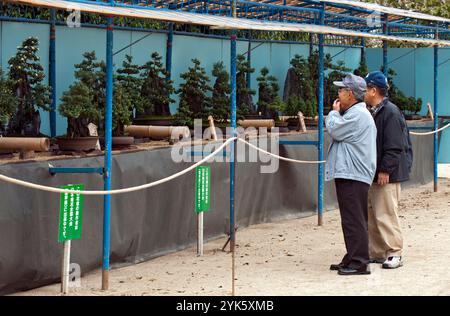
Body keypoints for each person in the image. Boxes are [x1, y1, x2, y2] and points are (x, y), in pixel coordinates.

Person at [325, 73, 377, 276]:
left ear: (350, 94)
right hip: (351, 173)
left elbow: (335, 130)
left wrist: (334, 113)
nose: (338, 93)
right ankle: (353, 257)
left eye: (341, 90)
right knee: (351, 218)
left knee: (354, 219)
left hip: (353, 174)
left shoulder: (358, 114)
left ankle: (359, 262)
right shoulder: (357, 113)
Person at [364, 71, 413, 269]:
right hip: (375, 172)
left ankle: (394, 252)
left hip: (387, 174)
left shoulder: (390, 112)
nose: (363, 92)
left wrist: (385, 170)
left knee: (385, 213)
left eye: (366, 88)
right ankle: (376, 252)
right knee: (373, 213)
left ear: (373, 90)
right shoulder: (374, 110)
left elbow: (395, 145)